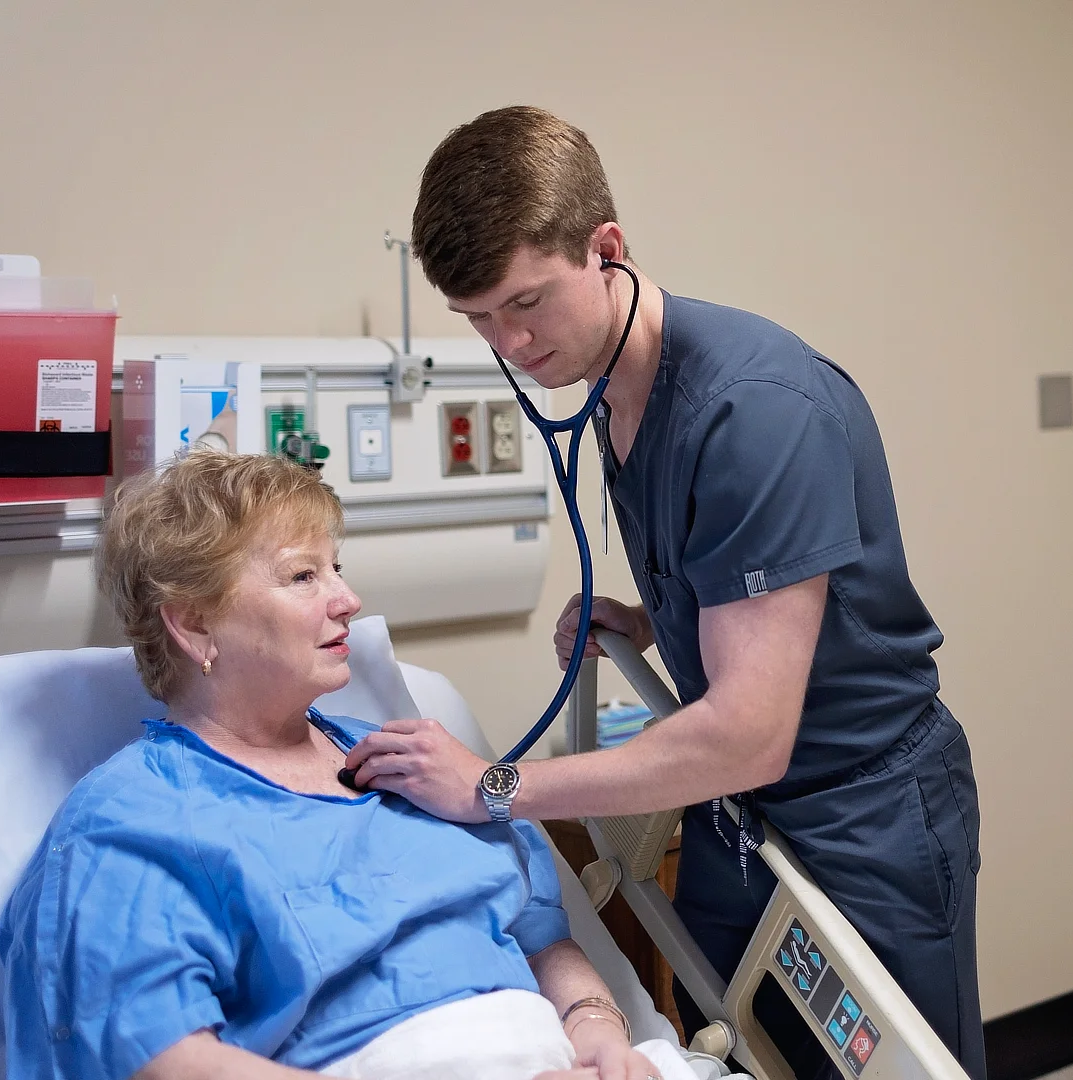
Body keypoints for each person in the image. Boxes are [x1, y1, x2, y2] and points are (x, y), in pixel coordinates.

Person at [342, 106, 984, 1078]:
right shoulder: (610, 384)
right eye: (477, 319)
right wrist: (655, 620)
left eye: (526, 302)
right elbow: (754, 579)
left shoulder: (752, 410)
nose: (509, 343)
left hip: (860, 819)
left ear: (607, 248)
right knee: (750, 1053)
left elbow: (746, 731)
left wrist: (494, 788)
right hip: (737, 818)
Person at [0, 451, 673, 1080]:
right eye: (302, 576)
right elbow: (159, 1057)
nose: (346, 600)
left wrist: (597, 1030)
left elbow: (540, 932)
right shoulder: (131, 820)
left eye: (337, 569)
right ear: (194, 624)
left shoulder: (414, 760)